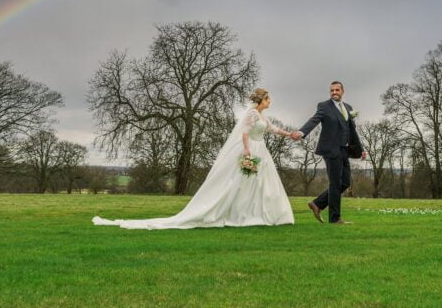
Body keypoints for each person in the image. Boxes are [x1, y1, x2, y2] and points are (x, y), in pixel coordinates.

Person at [93, 88, 296, 229]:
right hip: (251, 148)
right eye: (268, 99)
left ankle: (261, 214)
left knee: (261, 184)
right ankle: (241, 214)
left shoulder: (262, 116)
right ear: (261, 100)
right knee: (242, 183)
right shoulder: (252, 114)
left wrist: (290, 134)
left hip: (262, 150)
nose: (270, 102)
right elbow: (244, 132)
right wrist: (246, 151)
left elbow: (272, 129)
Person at [291, 81, 366, 224]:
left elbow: (352, 130)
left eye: (337, 90)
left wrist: (360, 149)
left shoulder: (348, 108)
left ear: (342, 91)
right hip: (330, 150)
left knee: (345, 182)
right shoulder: (324, 106)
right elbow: (314, 120)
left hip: (344, 150)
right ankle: (335, 219)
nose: (334, 92)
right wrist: (301, 132)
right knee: (335, 183)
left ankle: (317, 204)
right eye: (332, 90)